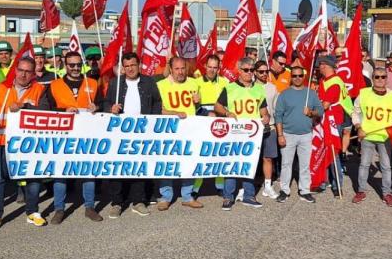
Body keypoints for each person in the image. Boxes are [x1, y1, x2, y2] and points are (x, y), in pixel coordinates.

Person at [0, 56, 48, 230]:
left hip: (29, 143)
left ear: (33, 73)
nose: (23, 74)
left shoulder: (39, 89)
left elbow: (44, 111)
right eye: (21, 70)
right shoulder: (2, 88)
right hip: (1, 140)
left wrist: (24, 107)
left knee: (33, 177)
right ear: (15, 70)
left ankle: (33, 212)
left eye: (28, 71)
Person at [39, 51, 102, 223]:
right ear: (65, 66)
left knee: (88, 171)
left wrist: (96, 106)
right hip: (63, 136)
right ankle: (59, 209)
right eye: (71, 65)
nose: (75, 68)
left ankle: (90, 207)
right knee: (61, 171)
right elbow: (45, 109)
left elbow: (103, 105)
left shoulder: (93, 83)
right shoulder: (54, 85)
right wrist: (62, 111)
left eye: (77, 64)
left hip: (86, 135)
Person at [102, 52, 161, 216]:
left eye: (133, 65)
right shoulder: (116, 83)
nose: (130, 69)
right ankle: (117, 202)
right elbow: (106, 103)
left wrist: (152, 122)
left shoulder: (149, 82)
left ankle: (139, 201)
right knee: (118, 167)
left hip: (142, 132)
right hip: (120, 132)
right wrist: (110, 109)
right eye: (126, 66)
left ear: (139, 65)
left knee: (139, 166)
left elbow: (157, 102)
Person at [215, 57, 269, 210]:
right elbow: (217, 106)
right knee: (232, 164)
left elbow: (264, 111)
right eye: (246, 70)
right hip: (234, 133)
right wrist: (226, 113)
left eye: (252, 70)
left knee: (249, 165)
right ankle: (228, 197)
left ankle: (249, 196)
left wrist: (266, 117)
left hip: (252, 134)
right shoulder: (230, 87)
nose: (249, 73)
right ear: (239, 70)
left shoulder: (259, 89)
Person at [156, 57, 204, 210]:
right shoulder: (161, 85)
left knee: (189, 163)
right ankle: (165, 196)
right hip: (168, 131)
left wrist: (198, 103)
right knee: (167, 164)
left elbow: (197, 110)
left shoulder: (194, 83)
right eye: (177, 69)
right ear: (171, 69)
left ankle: (187, 196)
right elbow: (158, 110)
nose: (180, 72)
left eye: (183, 68)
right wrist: (174, 113)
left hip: (189, 132)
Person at [351, 67, 392, 206]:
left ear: (387, 79)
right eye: (377, 77)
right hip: (367, 135)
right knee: (364, 164)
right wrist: (358, 127)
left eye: (383, 77)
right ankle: (361, 191)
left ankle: (387, 193)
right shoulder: (364, 93)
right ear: (372, 78)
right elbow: (355, 112)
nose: (380, 79)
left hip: (385, 137)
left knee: (386, 166)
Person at [274, 65, 322, 203]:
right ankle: (284, 190)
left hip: (306, 135)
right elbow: (278, 116)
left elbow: (320, 110)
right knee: (286, 164)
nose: (297, 78)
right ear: (291, 77)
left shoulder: (310, 94)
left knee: (305, 164)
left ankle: (305, 190)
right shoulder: (284, 94)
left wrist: (311, 113)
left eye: (300, 75)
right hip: (288, 134)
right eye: (294, 76)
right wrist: (280, 135)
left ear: (304, 76)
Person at [315, 56, 353, 193]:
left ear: (325, 65)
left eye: (320, 65)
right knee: (322, 150)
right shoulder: (324, 80)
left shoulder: (335, 82)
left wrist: (311, 111)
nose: (319, 68)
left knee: (332, 151)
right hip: (324, 119)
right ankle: (323, 181)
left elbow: (324, 105)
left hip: (333, 120)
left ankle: (337, 184)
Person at [254, 60, 281, 198]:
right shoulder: (250, 87)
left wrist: (277, 128)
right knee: (251, 158)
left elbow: (277, 110)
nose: (264, 74)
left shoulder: (272, 87)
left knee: (268, 158)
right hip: (252, 128)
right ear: (255, 72)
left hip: (269, 127)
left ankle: (268, 186)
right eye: (261, 71)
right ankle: (245, 188)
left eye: (266, 71)